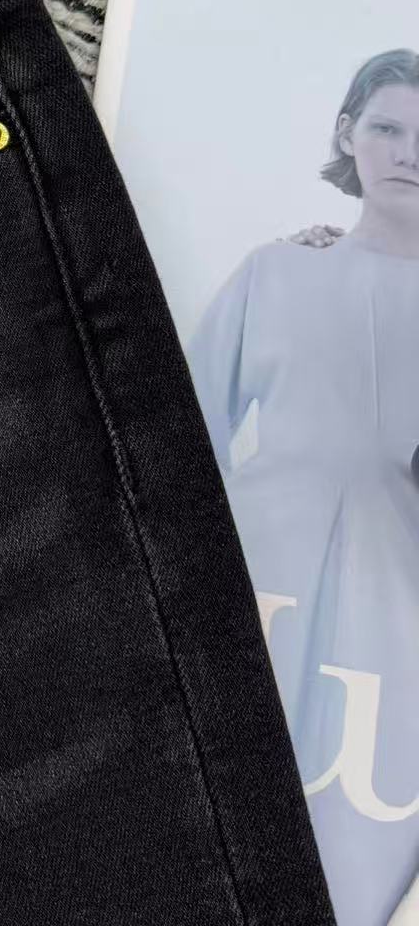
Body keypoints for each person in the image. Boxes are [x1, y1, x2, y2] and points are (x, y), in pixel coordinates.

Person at [186, 49, 419, 926]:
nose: (409, 153)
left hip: (393, 614)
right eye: (389, 128)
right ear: (348, 133)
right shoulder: (276, 271)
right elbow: (190, 428)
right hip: (259, 578)